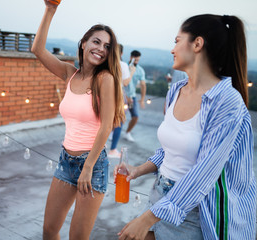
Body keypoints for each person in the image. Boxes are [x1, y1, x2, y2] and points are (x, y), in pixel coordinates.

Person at [116, 14, 256, 240]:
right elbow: (170, 152)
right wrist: (138, 170)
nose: (173, 49)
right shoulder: (176, 90)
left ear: (197, 44)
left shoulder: (226, 101)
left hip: (195, 213)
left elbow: (203, 172)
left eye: (177, 40)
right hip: (159, 197)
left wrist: (148, 218)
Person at [31, 1, 125, 239]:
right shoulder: (69, 73)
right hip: (66, 160)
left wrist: (89, 167)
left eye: (107, 46)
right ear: (84, 43)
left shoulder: (105, 79)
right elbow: (38, 50)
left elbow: (106, 126)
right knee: (49, 231)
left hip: (92, 166)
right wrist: (50, 10)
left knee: (77, 237)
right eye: (96, 41)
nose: (101, 49)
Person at [108, 44, 135, 158]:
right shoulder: (122, 64)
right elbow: (125, 83)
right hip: (117, 97)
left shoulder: (106, 63)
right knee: (119, 122)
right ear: (122, 53)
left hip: (105, 95)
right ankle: (113, 149)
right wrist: (132, 71)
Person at [124, 50, 146, 142]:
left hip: (132, 97)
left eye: (138, 60)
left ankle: (127, 132)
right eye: (135, 60)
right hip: (122, 96)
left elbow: (143, 85)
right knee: (120, 116)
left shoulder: (140, 70)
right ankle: (112, 132)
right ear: (131, 57)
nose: (136, 62)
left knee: (135, 116)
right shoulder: (124, 67)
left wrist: (142, 99)